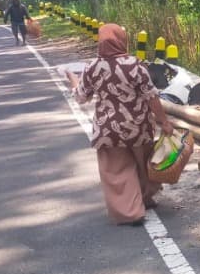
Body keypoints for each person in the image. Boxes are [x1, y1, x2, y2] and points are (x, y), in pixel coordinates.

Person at [66, 24, 175, 225]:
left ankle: (131, 211)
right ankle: (145, 197)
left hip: (108, 130)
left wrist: (74, 80)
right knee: (143, 164)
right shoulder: (135, 65)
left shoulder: (92, 67)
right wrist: (164, 122)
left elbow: (81, 97)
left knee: (117, 171)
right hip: (138, 127)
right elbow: (152, 98)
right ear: (121, 40)